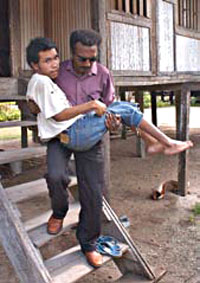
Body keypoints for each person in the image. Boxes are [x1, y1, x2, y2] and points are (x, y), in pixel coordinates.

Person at [26, 34, 193, 267]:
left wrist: (113, 123)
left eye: (91, 59)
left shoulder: (103, 74)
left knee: (94, 192)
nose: (86, 64)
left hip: (90, 134)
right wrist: (33, 104)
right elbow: (40, 101)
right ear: (72, 54)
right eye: (81, 59)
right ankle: (59, 211)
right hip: (61, 136)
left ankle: (89, 242)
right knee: (56, 176)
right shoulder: (54, 71)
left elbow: (109, 109)